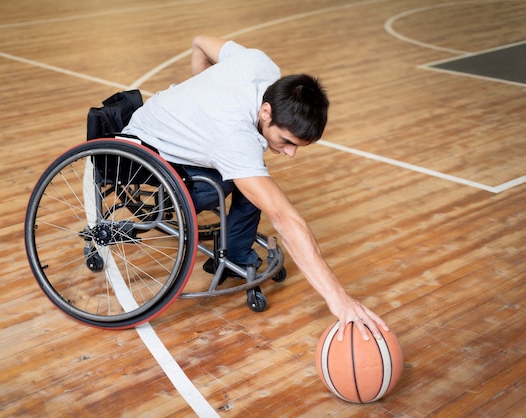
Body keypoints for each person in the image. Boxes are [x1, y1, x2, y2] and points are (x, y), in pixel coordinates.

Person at [123, 35, 389, 341]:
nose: (290, 153)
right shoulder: (234, 136)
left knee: (254, 180)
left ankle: (234, 254)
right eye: (287, 142)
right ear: (266, 111)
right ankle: (233, 252)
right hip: (147, 152)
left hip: (169, 119)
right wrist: (338, 298)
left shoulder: (261, 65)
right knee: (236, 185)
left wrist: (200, 99)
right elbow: (284, 217)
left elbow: (199, 42)